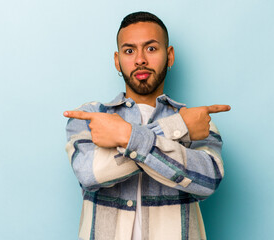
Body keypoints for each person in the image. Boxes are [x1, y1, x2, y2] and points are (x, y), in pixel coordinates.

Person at [64, 11, 230, 240]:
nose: (140, 59)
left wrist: (124, 135)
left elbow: (207, 181)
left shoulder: (198, 120)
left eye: (151, 48)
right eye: (129, 50)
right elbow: (90, 174)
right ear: (117, 60)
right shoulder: (91, 115)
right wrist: (176, 128)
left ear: (169, 56)